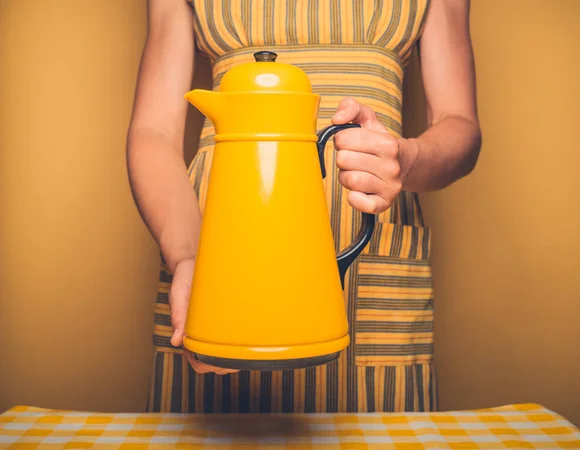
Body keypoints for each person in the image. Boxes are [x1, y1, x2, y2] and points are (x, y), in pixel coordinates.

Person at [126, 0, 481, 413]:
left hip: (372, 255)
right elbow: (154, 129)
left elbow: (459, 122)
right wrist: (188, 257)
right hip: (219, 248)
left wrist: (407, 158)